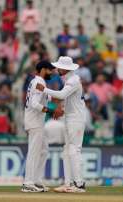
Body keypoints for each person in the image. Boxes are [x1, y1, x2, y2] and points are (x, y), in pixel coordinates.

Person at [36, 56, 86, 193]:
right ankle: (68, 183)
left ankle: (79, 184)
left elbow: (62, 95)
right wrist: (61, 109)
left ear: (65, 69)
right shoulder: (69, 80)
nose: (57, 69)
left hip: (76, 119)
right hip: (70, 117)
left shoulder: (73, 80)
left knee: (74, 150)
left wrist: (43, 89)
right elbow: (67, 99)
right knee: (67, 150)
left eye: (59, 67)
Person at [22, 61, 60, 192]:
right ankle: (28, 183)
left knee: (44, 150)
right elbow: (34, 103)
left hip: (37, 122)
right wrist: (51, 111)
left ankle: (36, 180)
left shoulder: (37, 81)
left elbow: (48, 97)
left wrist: (60, 100)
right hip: (34, 122)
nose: (52, 73)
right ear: (43, 69)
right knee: (34, 152)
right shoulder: (40, 82)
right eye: (50, 70)